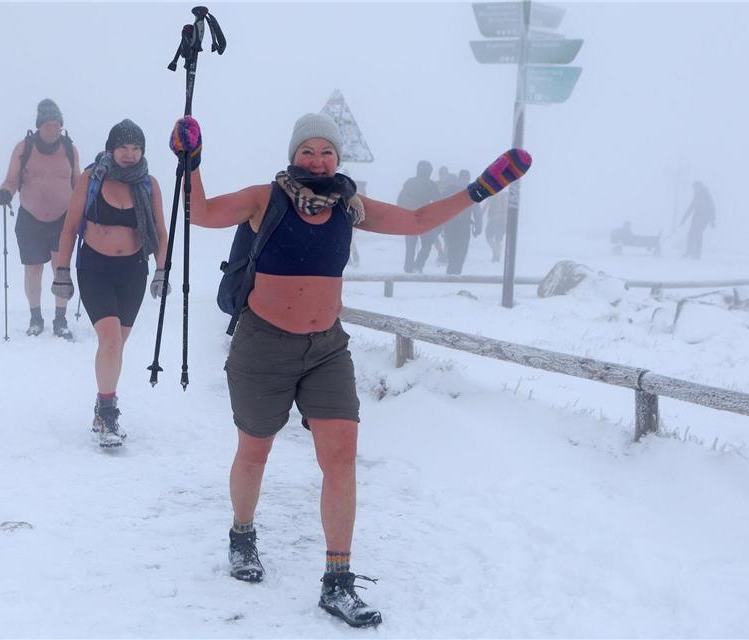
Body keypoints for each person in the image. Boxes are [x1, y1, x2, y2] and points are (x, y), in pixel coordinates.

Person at [168, 112, 531, 627]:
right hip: (262, 346)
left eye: (327, 152)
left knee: (341, 457)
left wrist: (479, 190)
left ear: (339, 159)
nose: (318, 160)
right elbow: (199, 213)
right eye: (309, 151)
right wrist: (190, 160)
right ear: (293, 153)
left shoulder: (349, 207)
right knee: (255, 451)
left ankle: (337, 581)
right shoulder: (263, 198)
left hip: (326, 349)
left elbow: (418, 220)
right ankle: (242, 536)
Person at [51, 120, 169, 448]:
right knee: (112, 341)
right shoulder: (92, 179)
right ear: (110, 149)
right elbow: (70, 227)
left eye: (136, 148)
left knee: (117, 344)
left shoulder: (148, 184)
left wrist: (161, 270)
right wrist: (62, 271)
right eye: (123, 148)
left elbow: (161, 232)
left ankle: (102, 402)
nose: (130, 154)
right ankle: (107, 411)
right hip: (95, 269)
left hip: (133, 271)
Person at [0, 98, 81, 339]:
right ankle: (35, 317)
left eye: (57, 125)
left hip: (62, 219)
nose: (53, 129)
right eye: (48, 125)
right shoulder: (23, 148)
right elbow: (12, 179)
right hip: (30, 218)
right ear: (39, 126)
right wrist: (5, 192)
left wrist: (86, 204)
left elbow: (77, 183)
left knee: (60, 269)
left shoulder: (69, 149)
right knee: (33, 269)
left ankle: (60, 319)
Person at [396, 160, 440, 273]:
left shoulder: (409, 182)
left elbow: (400, 200)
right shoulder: (431, 184)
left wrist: (402, 215)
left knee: (410, 246)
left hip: (409, 218)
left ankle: (408, 268)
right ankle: (418, 266)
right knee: (427, 243)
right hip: (425, 219)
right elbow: (438, 202)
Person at [442, 169, 484, 275]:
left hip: (450, 225)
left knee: (452, 250)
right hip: (464, 227)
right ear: (468, 179)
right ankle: (456, 273)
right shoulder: (471, 191)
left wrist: (439, 224)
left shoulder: (449, 189)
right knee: (462, 251)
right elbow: (477, 211)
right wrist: (478, 228)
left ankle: (450, 273)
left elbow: (441, 206)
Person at [681, 180, 716, 259]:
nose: (694, 190)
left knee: (698, 235)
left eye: (695, 188)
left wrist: (712, 221)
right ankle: (689, 251)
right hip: (697, 217)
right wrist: (684, 219)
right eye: (693, 188)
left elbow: (712, 207)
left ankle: (697, 254)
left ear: (699, 187)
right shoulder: (697, 195)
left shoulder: (706, 195)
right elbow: (691, 207)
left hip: (704, 218)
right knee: (691, 234)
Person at [485, 189, 508, 262]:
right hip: (503, 221)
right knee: (498, 240)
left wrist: (480, 214)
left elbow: (485, 207)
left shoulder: (492, 196)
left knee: (489, 237)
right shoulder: (505, 196)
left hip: (493, 219)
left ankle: (496, 254)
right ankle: (496, 257)